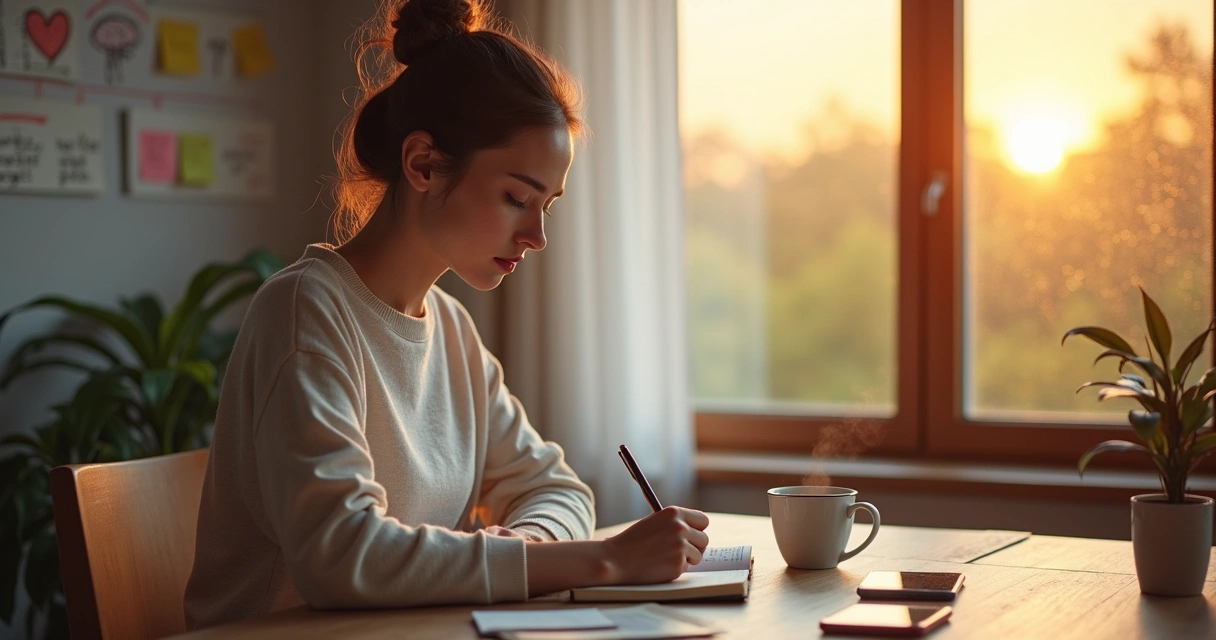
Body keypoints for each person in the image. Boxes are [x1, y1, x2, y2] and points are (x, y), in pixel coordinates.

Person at [183, 0, 709, 629]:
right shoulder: (307, 312)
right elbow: (340, 556)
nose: (538, 234)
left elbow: (558, 490)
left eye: (549, 204)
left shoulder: (451, 331)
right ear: (423, 164)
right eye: (517, 197)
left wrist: (524, 556)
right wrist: (596, 564)